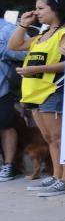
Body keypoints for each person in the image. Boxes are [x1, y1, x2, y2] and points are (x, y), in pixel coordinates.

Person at [8, 0, 65, 196]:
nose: (36, 12)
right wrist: (22, 25)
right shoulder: (41, 35)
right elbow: (13, 46)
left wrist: (34, 70)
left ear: (55, 9)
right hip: (34, 92)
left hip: (52, 90)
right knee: (48, 137)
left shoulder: (64, 33)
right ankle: (57, 176)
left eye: (40, 8)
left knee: (59, 137)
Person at [0, 11, 25, 182]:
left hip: (2, 88)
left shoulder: (7, 29)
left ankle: (9, 165)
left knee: (5, 126)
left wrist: (4, 50)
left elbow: (27, 51)